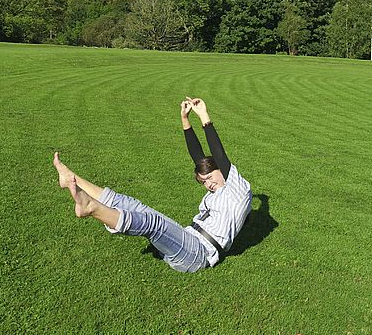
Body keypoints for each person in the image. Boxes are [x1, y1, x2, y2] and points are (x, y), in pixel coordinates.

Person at [53, 97, 252, 273]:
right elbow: (199, 158)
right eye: (204, 181)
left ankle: (91, 208)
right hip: (185, 239)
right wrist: (185, 120)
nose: (208, 184)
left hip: (197, 255)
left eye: (209, 178)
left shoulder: (238, 190)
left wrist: (204, 116)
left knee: (152, 223)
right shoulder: (216, 187)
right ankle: (72, 178)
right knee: (133, 205)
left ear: (221, 169)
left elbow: (220, 155)